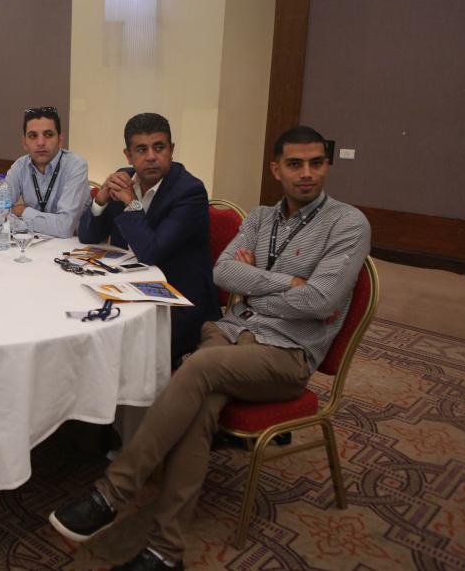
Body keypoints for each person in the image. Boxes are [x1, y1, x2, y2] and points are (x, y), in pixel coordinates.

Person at [49, 126, 371, 571]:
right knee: (201, 405)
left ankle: (112, 492)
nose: (306, 174)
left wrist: (255, 289)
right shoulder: (259, 219)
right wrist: (285, 285)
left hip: (285, 352)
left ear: (326, 166)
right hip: (227, 334)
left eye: (316, 163)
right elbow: (223, 273)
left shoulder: (347, 224)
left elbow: (321, 300)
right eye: (295, 164)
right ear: (276, 169)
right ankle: (166, 552)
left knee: (198, 369)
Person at [78, 113, 220, 366]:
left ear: (171, 150)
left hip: (178, 303)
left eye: (159, 147)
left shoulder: (189, 192)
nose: (151, 156)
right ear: (128, 155)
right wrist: (100, 200)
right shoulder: (124, 178)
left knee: (108, 346)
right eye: (142, 150)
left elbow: (151, 252)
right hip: (126, 286)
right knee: (80, 324)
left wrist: (131, 203)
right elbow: (88, 237)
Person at [0, 106, 89, 238]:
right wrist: (26, 224)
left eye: (48, 135)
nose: (41, 143)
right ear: (24, 142)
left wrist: (23, 212)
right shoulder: (19, 167)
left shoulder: (76, 165)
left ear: (60, 140)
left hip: (70, 246)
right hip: (34, 242)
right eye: (33, 136)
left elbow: (64, 228)